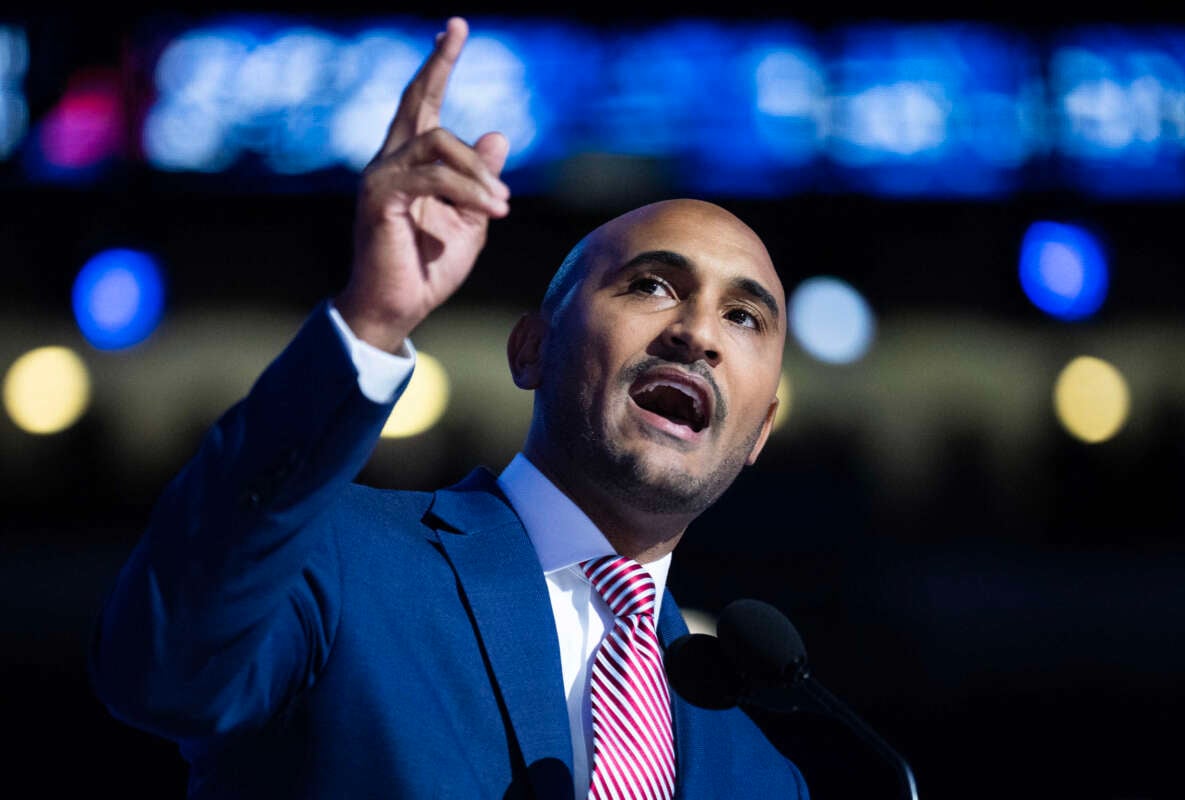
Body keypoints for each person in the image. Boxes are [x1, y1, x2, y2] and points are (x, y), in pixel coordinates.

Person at [88, 16, 808, 800]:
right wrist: (370, 319)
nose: (697, 331)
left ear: (760, 429)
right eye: (652, 285)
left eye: (745, 317)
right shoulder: (337, 561)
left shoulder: (764, 777)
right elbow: (161, 672)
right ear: (531, 350)